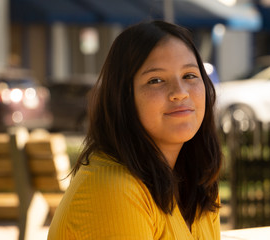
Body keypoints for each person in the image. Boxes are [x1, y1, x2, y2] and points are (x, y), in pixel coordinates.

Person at [48, 20, 222, 240]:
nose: (180, 92)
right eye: (156, 80)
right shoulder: (113, 190)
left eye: (189, 75)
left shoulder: (198, 181)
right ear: (123, 98)